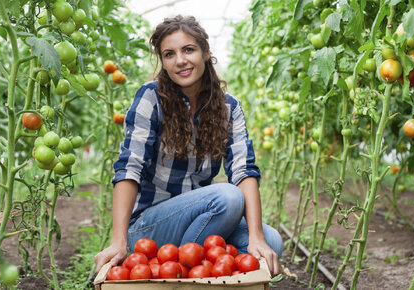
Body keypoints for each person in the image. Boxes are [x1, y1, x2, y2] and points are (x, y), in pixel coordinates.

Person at [94, 15, 283, 276]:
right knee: (227, 197)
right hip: (150, 226)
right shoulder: (151, 98)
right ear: (163, 61)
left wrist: (257, 237)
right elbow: (129, 168)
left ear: (206, 52)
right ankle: (182, 272)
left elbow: (244, 169)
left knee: (271, 241)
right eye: (169, 54)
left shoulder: (229, 107)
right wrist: (118, 241)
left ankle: (180, 268)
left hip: (200, 220)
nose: (180, 60)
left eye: (189, 49)